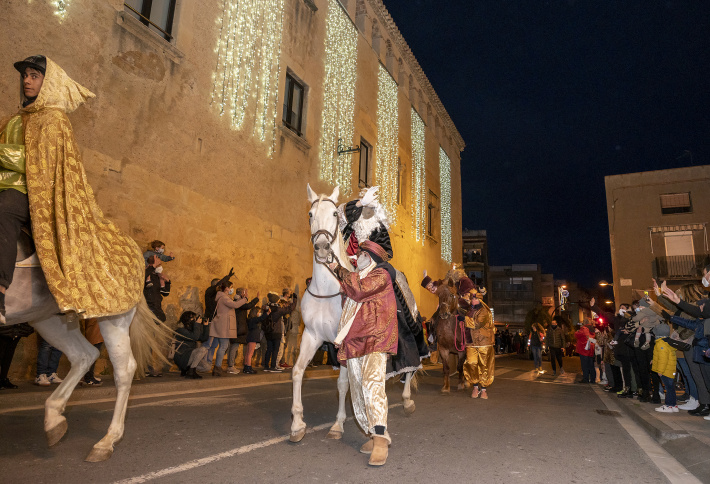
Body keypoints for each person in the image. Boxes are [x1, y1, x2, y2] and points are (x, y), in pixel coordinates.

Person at [0, 55, 144, 324]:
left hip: (32, 193)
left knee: (4, 210)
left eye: (34, 76)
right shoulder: (15, 120)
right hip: (5, 184)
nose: (27, 81)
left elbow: (40, 163)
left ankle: (0, 290)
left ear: (48, 81)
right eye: (25, 76)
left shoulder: (54, 120)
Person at [328, 240, 398, 466]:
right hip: (355, 339)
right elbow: (351, 294)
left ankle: (379, 439)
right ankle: (375, 432)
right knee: (357, 389)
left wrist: (338, 269)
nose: (357, 257)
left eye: (361, 254)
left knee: (372, 384)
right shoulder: (361, 277)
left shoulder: (381, 275)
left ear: (371, 257)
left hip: (374, 338)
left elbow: (358, 290)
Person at [459, 279, 495, 399]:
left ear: (479, 299)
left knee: (484, 366)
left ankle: (483, 389)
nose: (473, 301)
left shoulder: (484, 311)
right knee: (471, 364)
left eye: (475, 299)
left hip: (484, 343)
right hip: (471, 343)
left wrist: (464, 319)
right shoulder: (470, 310)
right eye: (472, 299)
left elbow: (476, 324)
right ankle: (475, 387)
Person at [209, 281, 247, 376]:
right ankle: (217, 367)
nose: (231, 289)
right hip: (223, 326)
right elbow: (235, 305)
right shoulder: (223, 298)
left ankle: (217, 367)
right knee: (223, 346)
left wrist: (241, 299)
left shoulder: (224, 297)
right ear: (226, 288)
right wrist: (245, 299)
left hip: (223, 325)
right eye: (230, 287)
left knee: (221, 346)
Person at [263, 291, 297, 372]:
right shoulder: (278, 309)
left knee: (269, 349)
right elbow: (290, 309)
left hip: (268, 332)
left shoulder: (267, 307)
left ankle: (266, 366)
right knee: (275, 350)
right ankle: (273, 366)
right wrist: (295, 300)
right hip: (276, 331)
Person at [228, 287, 259, 374]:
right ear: (242, 293)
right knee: (234, 346)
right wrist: (256, 299)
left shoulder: (238, 301)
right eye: (245, 293)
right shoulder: (237, 301)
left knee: (235, 346)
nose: (246, 294)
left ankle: (231, 365)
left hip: (239, 327)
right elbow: (248, 306)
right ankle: (230, 366)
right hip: (237, 327)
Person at [173, 311, 210, 379]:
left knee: (207, 367)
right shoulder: (180, 330)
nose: (195, 320)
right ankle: (191, 372)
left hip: (190, 356)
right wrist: (197, 324)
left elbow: (204, 338)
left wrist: (205, 326)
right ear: (187, 319)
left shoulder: (192, 330)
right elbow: (194, 337)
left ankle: (187, 369)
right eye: (193, 318)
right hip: (182, 356)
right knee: (203, 350)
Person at [652, 323, 678, 413]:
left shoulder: (660, 344)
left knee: (668, 388)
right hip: (670, 369)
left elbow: (663, 359)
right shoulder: (668, 342)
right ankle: (674, 405)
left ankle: (668, 405)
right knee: (671, 388)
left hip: (665, 370)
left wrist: (660, 371)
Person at [0, 322, 33, 389]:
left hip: (18, 328)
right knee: (1, 353)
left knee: (9, 355)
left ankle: (3, 379)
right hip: (4, 326)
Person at [243, 305, 271, 374]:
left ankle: (246, 367)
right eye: (258, 312)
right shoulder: (254, 319)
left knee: (247, 353)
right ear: (255, 312)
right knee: (250, 354)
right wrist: (267, 313)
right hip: (253, 337)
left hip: (250, 337)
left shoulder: (249, 319)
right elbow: (261, 318)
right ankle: (248, 367)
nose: (259, 313)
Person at [81, 319, 104, 386]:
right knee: (92, 356)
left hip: (97, 331)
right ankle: (88, 378)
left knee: (93, 356)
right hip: (95, 331)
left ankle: (90, 376)